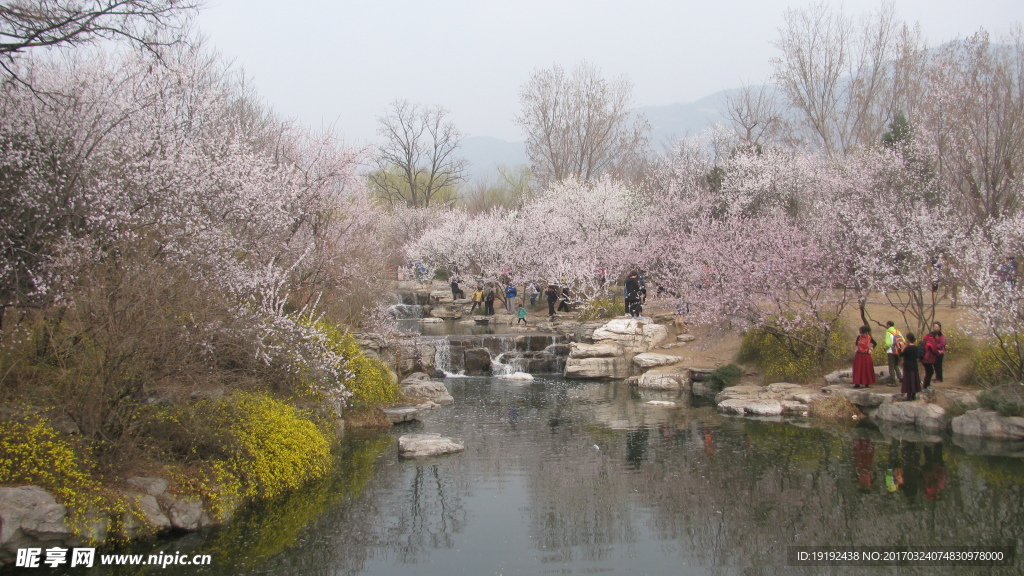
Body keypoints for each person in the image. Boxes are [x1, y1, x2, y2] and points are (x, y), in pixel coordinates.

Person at [900, 332, 922, 401]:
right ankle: (914, 395)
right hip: (914, 365)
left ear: (908, 339)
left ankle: (909, 396)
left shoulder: (907, 348)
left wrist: (901, 348)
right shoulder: (916, 347)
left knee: (908, 381)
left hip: (908, 366)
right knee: (914, 380)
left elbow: (901, 354)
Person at [884, 321, 903, 386]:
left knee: (891, 366)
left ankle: (893, 381)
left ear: (888, 325)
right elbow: (903, 340)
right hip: (898, 351)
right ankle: (900, 377)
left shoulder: (888, 332)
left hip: (891, 351)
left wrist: (885, 347)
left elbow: (888, 343)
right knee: (896, 365)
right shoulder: (898, 331)